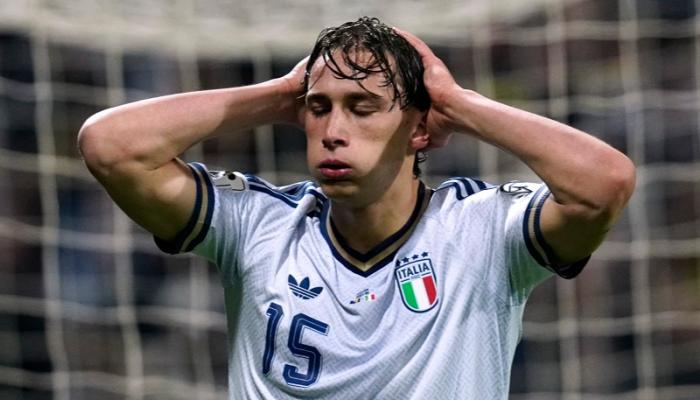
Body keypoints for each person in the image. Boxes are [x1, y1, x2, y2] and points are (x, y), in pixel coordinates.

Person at [78, 17, 635, 400]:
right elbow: (110, 146)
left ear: (419, 128)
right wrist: (282, 93)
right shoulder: (258, 225)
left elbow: (605, 183)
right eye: (319, 108)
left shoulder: (483, 231)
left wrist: (457, 103)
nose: (333, 131)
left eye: (362, 108)